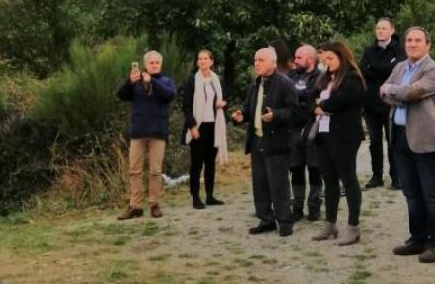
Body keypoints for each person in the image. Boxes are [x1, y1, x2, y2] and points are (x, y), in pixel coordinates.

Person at [380, 27, 435, 263]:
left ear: (428, 45)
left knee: (430, 193)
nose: (412, 43)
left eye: (418, 40)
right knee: (411, 192)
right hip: (399, 136)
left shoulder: (434, 69)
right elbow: (383, 94)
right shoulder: (399, 67)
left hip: (423, 139)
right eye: (409, 40)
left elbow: (412, 94)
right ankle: (417, 239)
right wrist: (394, 91)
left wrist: (392, 90)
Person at [232, 47, 300, 237]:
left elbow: (294, 111)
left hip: (276, 142)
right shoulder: (255, 85)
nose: (256, 64)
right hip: (257, 141)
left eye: (261, 60)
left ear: (272, 62)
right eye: (255, 60)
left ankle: (284, 222)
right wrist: (240, 116)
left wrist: (275, 115)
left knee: (278, 185)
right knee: (260, 184)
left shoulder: (285, 84)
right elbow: (248, 109)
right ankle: (266, 219)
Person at [310, 41, 365, 245]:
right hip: (323, 134)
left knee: (348, 179)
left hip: (344, 136)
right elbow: (310, 99)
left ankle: (353, 225)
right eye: (324, 59)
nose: (327, 62)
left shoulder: (352, 79)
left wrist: (321, 106)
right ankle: (330, 222)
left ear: (342, 57)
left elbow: (337, 102)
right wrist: (318, 106)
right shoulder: (325, 79)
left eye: (331, 59)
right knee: (329, 180)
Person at [116, 51, 177, 220]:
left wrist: (153, 82)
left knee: (155, 171)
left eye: (157, 62)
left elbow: (170, 96)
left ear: (161, 64)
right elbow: (121, 95)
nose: (155, 65)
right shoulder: (136, 82)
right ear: (145, 64)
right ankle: (135, 206)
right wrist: (130, 81)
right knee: (134, 171)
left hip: (158, 132)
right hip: (138, 132)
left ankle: (154, 204)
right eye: (151, 63)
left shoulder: (166, 81)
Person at [359, 17, 405, 188]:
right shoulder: (369, 51)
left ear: (392, 30)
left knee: (394, 141)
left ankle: (396, 176)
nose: (380, 31)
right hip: (371, 102)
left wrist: (375, 67)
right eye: (378, 28)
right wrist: (384, 68)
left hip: (391, 102)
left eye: (384, 28)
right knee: (375, 142)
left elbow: (396, 69)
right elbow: (363, 70)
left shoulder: (399, 50)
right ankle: (377, 176)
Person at [181, 50, 228, 210]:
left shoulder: (216, 80)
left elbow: (222, 100)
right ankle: (195, 197)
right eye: (199, 58)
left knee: (210, 163)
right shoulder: (192, 80)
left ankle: (209, 196)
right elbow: (186, 106)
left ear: (211, 61)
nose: (202, 61)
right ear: (197, 62)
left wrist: (223, 104)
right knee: (196, 163)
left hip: (214, 125)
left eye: (205, 58)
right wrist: (192, 126)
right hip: (198, 126)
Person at [287, 44, 322, 221]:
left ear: (310, 58)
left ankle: (314, 206)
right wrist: (301, 97)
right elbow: (288, 94)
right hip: (293, 128)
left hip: (313, 128)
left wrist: (300, 97)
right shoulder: (291, 75)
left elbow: (313, 94)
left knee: (315, 169)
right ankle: (297, 207)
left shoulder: (321, 76)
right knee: (296, 168)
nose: (295, 60)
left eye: (299, 57)